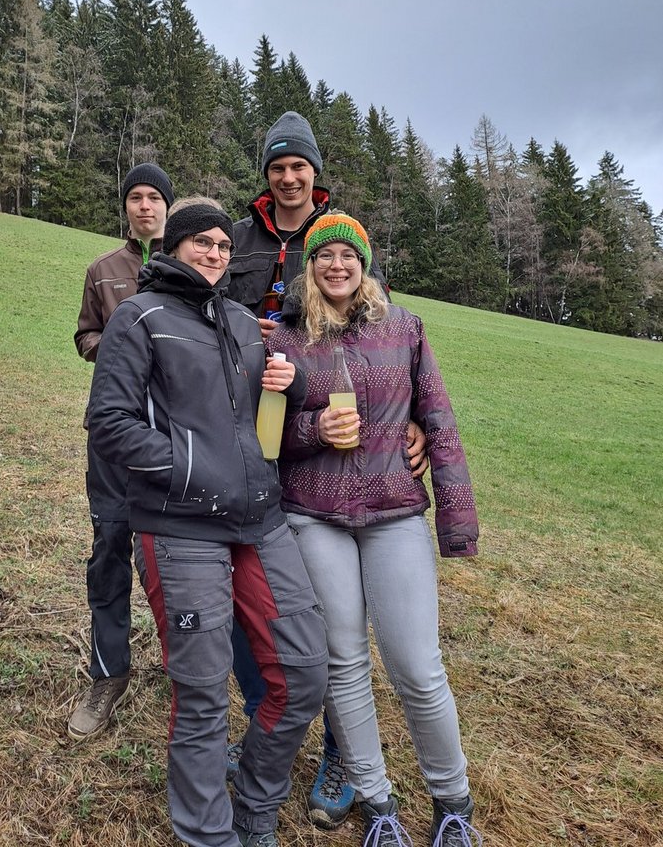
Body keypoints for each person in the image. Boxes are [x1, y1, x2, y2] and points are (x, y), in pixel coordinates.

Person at [87, 199, 328, 847]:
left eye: (224, 244)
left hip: (258, 521)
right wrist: (193, 467)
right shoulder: (140, 317)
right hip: (179, 523)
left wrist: (292, 383)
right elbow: (109, 423)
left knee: (304, 672)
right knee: (201, 693)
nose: (217, 253)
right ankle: (208, 835)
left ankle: (255, 806)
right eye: (203, 242)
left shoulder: (242, 322)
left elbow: (259, 413)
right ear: (174, 246)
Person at [226, 111, 429, 829]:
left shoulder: (339, 240)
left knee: (339, 624)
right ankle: (270, 731)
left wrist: (407, 421)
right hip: (243, 434)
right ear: (267, 174)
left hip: (323, 457)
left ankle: (341, 754)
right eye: (278, 166)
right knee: (258, 600)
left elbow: (381, 345)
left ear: (315, 174)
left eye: (299, 167)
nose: (289, 177)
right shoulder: (234, 238)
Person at [266, 212, 482, 847]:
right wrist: (313, 430)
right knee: (343, 663)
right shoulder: (286, 339)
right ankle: (377, 803)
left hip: (394, 513)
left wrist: (457, 521)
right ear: (309, 266)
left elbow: (437, 421)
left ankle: (453, 803)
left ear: (364, 266)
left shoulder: (405, 329)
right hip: (315, 515)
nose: (336, 266)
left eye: (348, 256)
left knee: (417, 666)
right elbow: (265, 439)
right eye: (324, 256)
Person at [67, 162, 174, 741]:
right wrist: (116, 342)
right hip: (111, 433)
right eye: (136, 197)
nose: (145, 206)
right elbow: (84, 335)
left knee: (172, 555)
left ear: (167, 207)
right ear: (126, 208)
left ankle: (184, 668)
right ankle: (109, 673)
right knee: (109, 545)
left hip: (171, 435)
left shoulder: (190, 266)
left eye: (154, 197)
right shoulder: (103, 271)